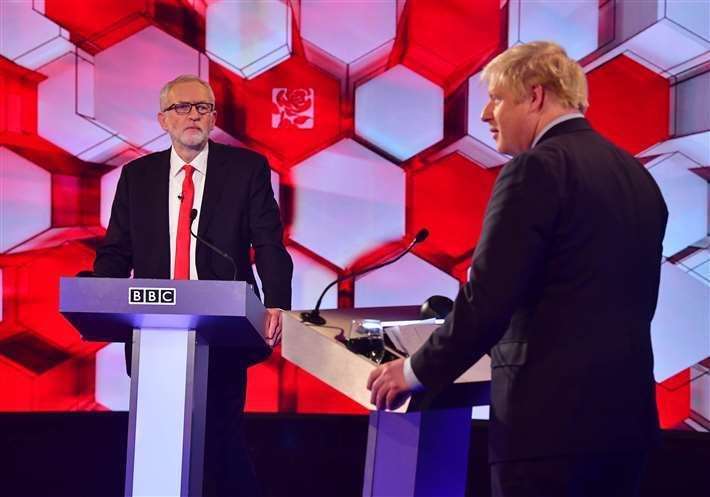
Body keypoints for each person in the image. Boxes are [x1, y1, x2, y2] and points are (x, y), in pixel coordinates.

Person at [367, 41, 668, 496]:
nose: (487, 114)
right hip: (627, 427)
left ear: (536, 95)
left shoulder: (536, 169)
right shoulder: (635, 174)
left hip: (549, 431)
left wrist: (413, 371)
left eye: (497, 98)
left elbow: (488, 300)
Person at [93, 74, 293, 496]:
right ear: (162, 119)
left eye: (203, 107)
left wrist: (277, 302)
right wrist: (96, 292)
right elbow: (117, 252)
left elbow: (269, 243)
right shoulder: (137, 176)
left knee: (220, 444)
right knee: (159, 445)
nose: (193, 115)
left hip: (223, 332)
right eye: (182, 107)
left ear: (214, 117)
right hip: (153, 334)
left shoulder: (246, 169)